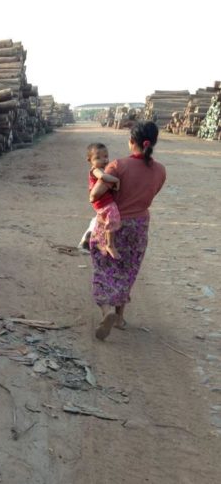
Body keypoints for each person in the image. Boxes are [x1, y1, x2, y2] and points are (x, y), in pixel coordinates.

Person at [89, 121, 166, 340]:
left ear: (131, 141)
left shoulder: (118, 166)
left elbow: (95, 195)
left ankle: (107, 312)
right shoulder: (160, 170)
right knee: (127, 269)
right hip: (139, 225)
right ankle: (120, 317)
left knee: (104, 267)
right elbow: (151, 195)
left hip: (112, 225)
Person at [87, 143, 122, 259]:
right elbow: (103, 177)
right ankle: (110, 244)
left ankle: (104, 241)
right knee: (112, 217)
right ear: (90, 160)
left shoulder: (102, 168)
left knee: (109, 218)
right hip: (102, 201)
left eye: (106, 156)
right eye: (98, 158)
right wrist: (116, 180)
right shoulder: (96, 170)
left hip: (103, 200)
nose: (104, 160)